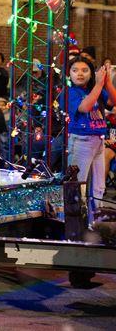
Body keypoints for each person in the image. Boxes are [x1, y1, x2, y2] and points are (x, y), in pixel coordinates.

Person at [66, 56, 116, 215]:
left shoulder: (95, 89)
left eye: (84, 70)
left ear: (91, 73)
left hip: (98, 142)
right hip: (81, 141)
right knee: (78, 185)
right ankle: (75, 223)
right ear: (69, 74)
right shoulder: (69, 92)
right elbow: (85, 107)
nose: (79, 74)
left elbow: (113, 101)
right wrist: (99, 84)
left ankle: (94, 221)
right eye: (75, 70)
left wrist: (107, 82)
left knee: (98, 187)